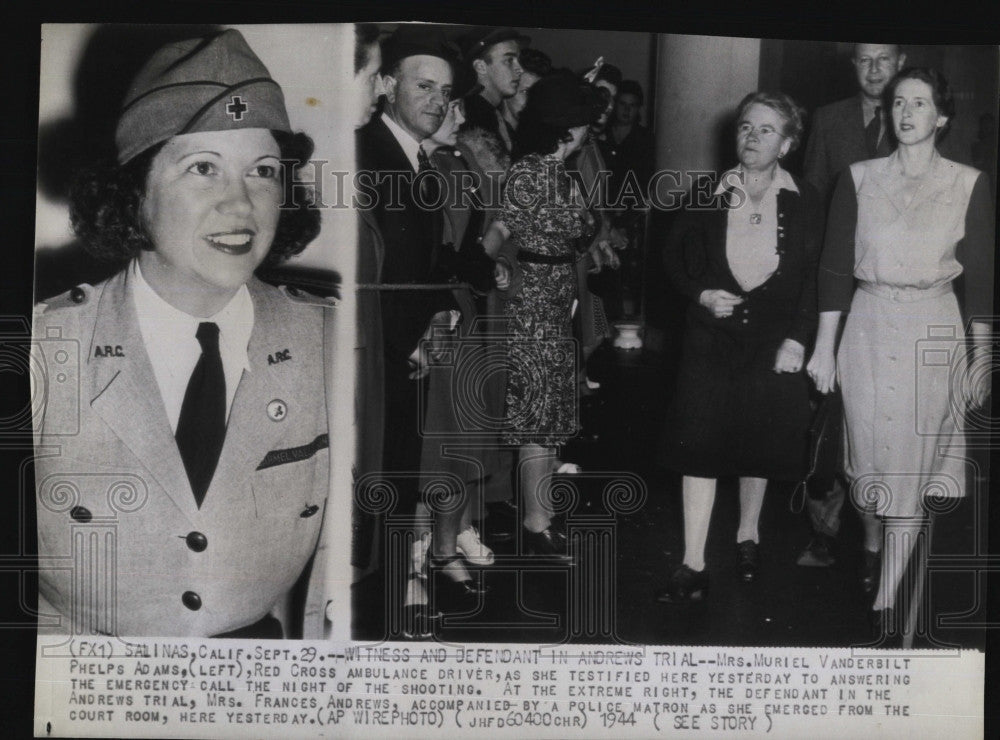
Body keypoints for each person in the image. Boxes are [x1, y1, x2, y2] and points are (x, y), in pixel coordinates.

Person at [33, 29, 327, 638]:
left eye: (263, 171)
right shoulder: (38, 351)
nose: (241, 204)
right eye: (203, 169)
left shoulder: (325, 341)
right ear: (134, 191)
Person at [806, 67, 993, 638]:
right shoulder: (857, 178)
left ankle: (888, 603)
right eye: (898, 104)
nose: (906, 113)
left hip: (932, 328)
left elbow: (982, 278)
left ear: (941, 116)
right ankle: (869, 536)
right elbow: (835, 267)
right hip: (867, 325)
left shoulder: (969, 182)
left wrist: (982, 356)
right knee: (865, 469)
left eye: (920, 103)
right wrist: (822, 347)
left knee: (910, 469)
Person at [656, 92, 822, 602]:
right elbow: (671, 257)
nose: (752, 137)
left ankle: (748, 535)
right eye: (746, 127)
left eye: (766, 130)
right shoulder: (708, 190)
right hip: (712, 338)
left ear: (787, 143)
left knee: (759, 442)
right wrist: (702, 293)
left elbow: (815, 278)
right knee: (699, 445)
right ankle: (692, 562)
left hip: (774, 340)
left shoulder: (806, 199)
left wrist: (798, 338)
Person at [356, 26, 485, 635]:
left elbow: (427, 262)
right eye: (422, 85)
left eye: (445, 90)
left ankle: (389, 603)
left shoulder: (420, 158)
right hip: (381, 349)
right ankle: (378, 611)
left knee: (402, 472)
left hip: (411, 345)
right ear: (386, 86)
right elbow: (373, 269)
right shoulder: (365, 153)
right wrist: (412, 332)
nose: (436, 100)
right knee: (382, 474)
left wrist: (443, 313)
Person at [481, 70, 604, 555]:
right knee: (538, 416)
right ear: (567, 127)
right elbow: (501, 234)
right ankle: (537, 523)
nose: (588, 132)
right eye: (584, 123)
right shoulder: (533, 173)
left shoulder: (552, 172)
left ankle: (540, 513)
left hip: (553, 299)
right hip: (534, 302)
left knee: (549, 413)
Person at [798, 43, 907, 573]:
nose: (873, 69)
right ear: (852, 66)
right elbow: (812, 200)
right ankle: (823, 529)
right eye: (864, 59)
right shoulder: (829, 119)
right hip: (841, 286)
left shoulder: (921, 116)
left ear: (901, 63)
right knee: (830, 411)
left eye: (883, 59)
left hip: (901, 289)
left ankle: (884, 536)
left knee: (888, 415)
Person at [459, 27, 528, 154]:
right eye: (509, 60)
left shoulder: (492, 115)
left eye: (518, 61)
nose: (520, 69)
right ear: (480, 67)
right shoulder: (471, 119)